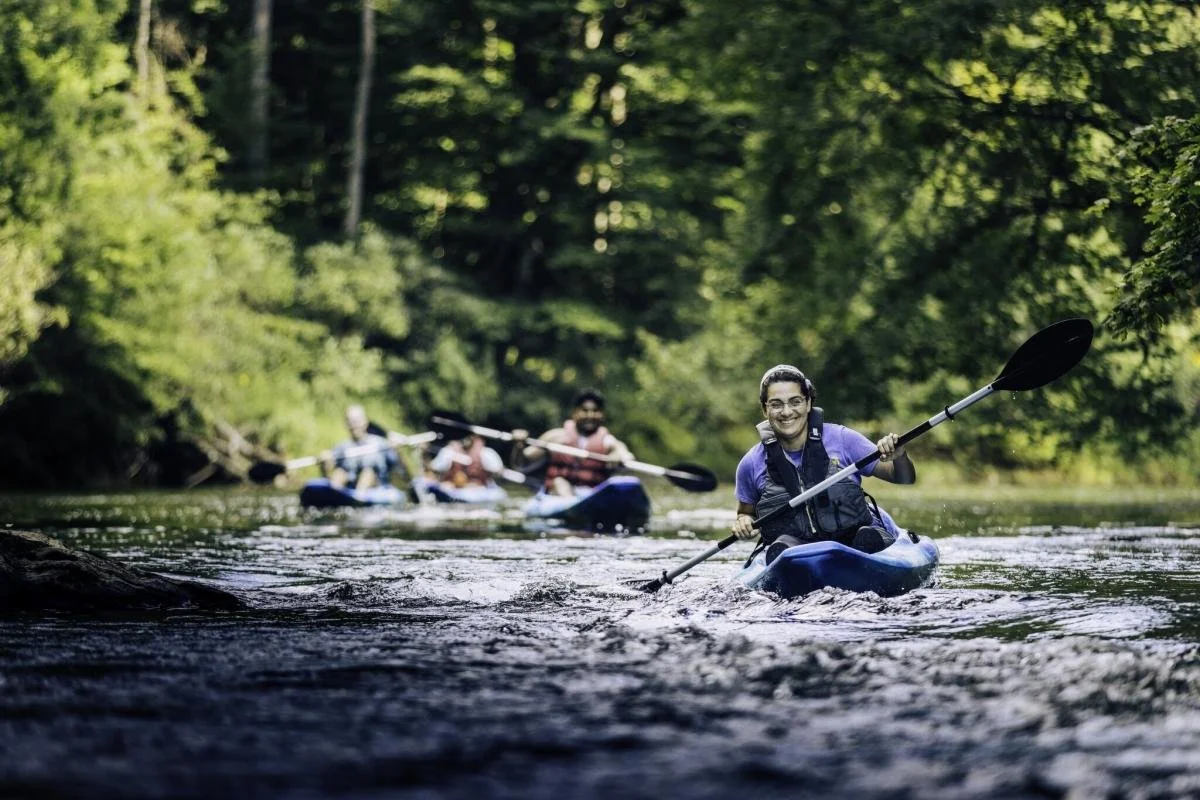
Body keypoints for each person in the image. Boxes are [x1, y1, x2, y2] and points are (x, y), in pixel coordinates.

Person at [731, 365, 916, 564]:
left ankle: (866, 552)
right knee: (783, 548)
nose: (786, 412)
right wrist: (743, 522)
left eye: (795, 402)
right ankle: (790, 562)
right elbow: (745, 512)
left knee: (866, 535)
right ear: (764, 409)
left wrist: (899, 456)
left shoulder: (843, 440)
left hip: (856, 541)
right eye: (776, 404)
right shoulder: (750, 463)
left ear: (808, 403)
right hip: (796, 554)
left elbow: (903, 478)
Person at [511, 389, 635, 497]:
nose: (590, 415)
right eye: (585, 410)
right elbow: (521, 463)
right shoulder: (554, 437)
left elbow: (625, 454)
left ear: (602, 415)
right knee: (559, 482)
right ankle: (570, 503)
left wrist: (618, 456)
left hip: (591, 496)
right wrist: (519, 446)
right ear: (575, 413)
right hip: (556, 495)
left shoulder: (608, 441)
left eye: (595, 411)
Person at [320, 405, 401, 490]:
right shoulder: (342, 447)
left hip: (375, 485)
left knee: (367, 473)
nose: (354, 425)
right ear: (346, 424)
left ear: (365, 421)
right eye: (350, 421)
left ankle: (359, 498)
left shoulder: (380, 443)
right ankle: (331, 495)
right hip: (349, 486)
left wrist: (396, 450)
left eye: (357, 421)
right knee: (340, 473)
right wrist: (326, 462)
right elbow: (328, 467)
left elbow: (394, 464)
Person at [425, 433, 505, 489]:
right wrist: (424, 454)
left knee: (474, 487)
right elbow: (434, 468)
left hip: (477, 488)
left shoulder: (486, 453)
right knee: (446, 486)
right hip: (453, 487)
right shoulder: (449, 451)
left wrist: (497, 473)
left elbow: (499, 471)